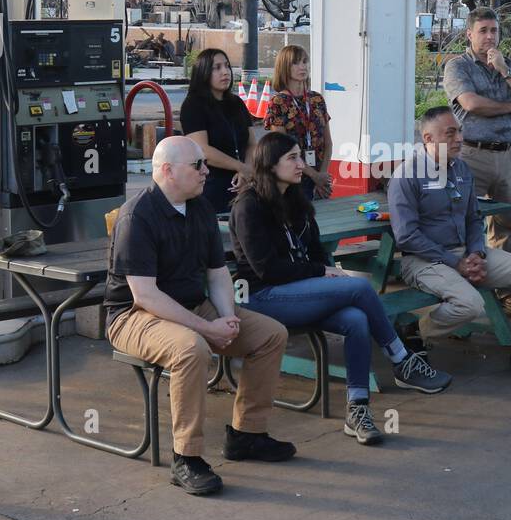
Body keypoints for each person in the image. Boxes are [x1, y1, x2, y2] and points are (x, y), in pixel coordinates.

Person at [105, 135, 295, 496]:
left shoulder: (201, 207)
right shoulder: (137, 217)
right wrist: (207, 328)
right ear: (167, 171)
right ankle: (186, 457)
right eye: (198, 166)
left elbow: (217, 273)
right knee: (191, 348)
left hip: (191, 306)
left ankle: (247, 435)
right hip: (134, 315)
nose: (207, 171)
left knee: (271, 334)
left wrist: (227, 319)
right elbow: (144, 295)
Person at [231, 133, 451, 442]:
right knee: (358, 289)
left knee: (356, 320)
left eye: (300, 156)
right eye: (292, 158)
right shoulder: (249, 206)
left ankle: (357, 410)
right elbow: (267, 270)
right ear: (269, 165)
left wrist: (320, 271)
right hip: (262, 297)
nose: (301, 164)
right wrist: (321, 272)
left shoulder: (297, 201)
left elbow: (318, 251)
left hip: (301, 292)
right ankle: (402, 359)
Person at [388, 107, 511, 375]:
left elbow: (473, 219)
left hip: (464, 254)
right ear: (428, 138)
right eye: (450, 133)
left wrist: (477, 254)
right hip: (424, 260)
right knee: (471, 305)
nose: (459, 138)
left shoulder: (462, 169)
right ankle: (415, 330)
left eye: (459, 131)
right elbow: (407, 237)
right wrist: (455, 263)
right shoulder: (406, 176)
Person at [441, 7, 511, 254]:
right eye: (482, 31)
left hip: (506, 154)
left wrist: (505, 71)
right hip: (472, 154)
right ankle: (467, 280)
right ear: (469, 35)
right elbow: (471, 104)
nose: (489, 36)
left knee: (505, 225)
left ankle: (501, 285)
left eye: (494, 30)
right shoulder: (458, 67)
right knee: (466, 221)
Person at [179, 48, 254, 214]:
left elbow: (252, 143)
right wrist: (240, 167)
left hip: (244, 184)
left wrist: (247, 170)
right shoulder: (193, 105)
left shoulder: (237, 103)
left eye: (227, 66)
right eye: (217, 68)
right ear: (203, 71)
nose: (225, 72)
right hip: (210, 186)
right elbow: (202, 150)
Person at [263, 45, 334, 200]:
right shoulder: (278, 102)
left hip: (319, 179)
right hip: (291, 179)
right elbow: (281, 149)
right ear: (284, 67)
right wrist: (314, 175)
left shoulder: (317, 99)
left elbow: (328, 143)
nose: (303, 66)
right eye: (295, 63)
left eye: (305, 61)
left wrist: (322, 175)